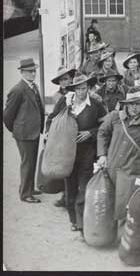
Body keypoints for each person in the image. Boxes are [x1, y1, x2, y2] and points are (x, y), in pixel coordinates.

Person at [46, 74, 107, 233]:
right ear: (74, 89)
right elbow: (51, 119)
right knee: (70, 188)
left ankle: (81, 224)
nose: (81, 91)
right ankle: (73, 220)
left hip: (86, 153)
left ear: (88, 88)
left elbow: (105, 127)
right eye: (78, 88)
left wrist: (91, 133)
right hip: (66, 154)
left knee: (84, 187)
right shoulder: (65, 102)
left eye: (84, 88)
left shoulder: (95, 105)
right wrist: (48, 134)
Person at [97, 87, 140, 240]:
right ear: (126, 105)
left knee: (127, 206)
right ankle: (107, 236)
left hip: (133, 171)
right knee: (109, 203)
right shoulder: (115, 117)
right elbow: (102, 133)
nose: (134, 107)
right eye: (131, 104)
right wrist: (102, 155)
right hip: (112, 167)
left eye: (137, 104)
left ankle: (123, 242)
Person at [4, 58, 45, 203]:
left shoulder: (32, 86)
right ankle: (25, 194)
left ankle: (29, 188)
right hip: (24, 133)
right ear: (22, 73)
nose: (33, 74)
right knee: (27, 163)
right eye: (29, 71)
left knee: (31, 161)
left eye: (34, 71)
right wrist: (17, 130)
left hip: (33, 132)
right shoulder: (18, 90)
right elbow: (8, 115)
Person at [49, 65, 77, 208]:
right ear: (59, 83)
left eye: (67, 79)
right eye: (62, 80)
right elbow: (53, 117)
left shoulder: (78, 93)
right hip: (64, 137)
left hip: (77, 134)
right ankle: (65, 197)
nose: (65, 82)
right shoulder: (58, 97)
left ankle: (74, 199)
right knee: (64, 167)